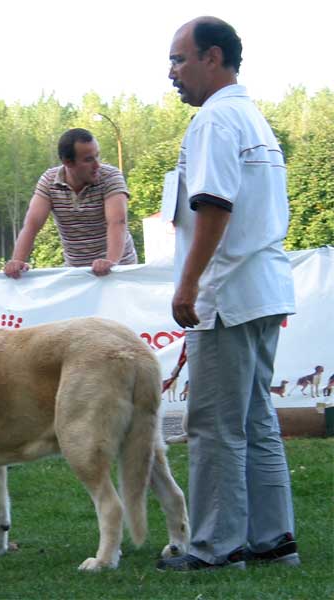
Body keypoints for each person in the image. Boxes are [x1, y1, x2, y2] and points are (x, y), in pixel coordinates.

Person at [156, 17, 298, 571]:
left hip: (229, 293)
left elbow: (214, 204)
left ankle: (216, 547)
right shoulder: (252, 117)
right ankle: (272, 539)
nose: (171, 72)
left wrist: (189, 283)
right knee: (256, 419)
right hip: (262, 288)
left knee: (214, 424)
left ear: (212, 57)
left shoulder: (215, 121)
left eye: (178, 59)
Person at [3, 128, 137, 278]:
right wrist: (17, 262)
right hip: (77, 274)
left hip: (120, 271)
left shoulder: (111, 177)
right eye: (88, 159)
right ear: (67, 162)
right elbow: (31, 225)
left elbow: (117, 221)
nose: (97, 165)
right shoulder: (49, 181)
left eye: (97, 156)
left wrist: (111, 262)